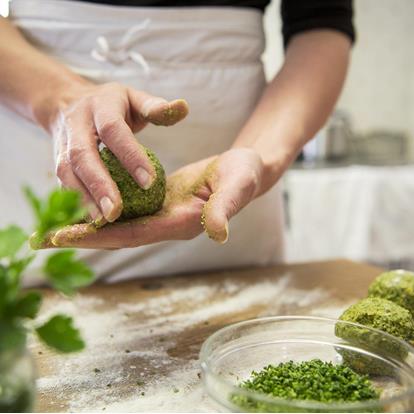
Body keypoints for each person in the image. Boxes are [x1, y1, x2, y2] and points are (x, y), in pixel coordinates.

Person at [0, 0, 354, 281]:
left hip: (234, 176)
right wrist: (61, 100)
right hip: (41, 134)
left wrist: (259, 154)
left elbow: (321, 24)